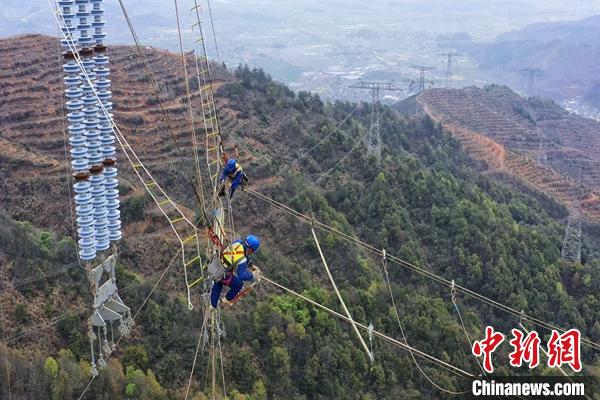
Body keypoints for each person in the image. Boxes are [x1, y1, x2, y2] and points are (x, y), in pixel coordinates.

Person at [210, 234, 261, 308]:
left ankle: (212, 304)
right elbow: (242, 275)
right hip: (222, 273)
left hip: (215, 265)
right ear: (251, 249)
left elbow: (244, 254)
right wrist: (252, 275)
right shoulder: (242, 259)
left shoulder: (238, 242)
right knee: (238, 284)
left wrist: (251, 265)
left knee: (218, 283)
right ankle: (226, 300)